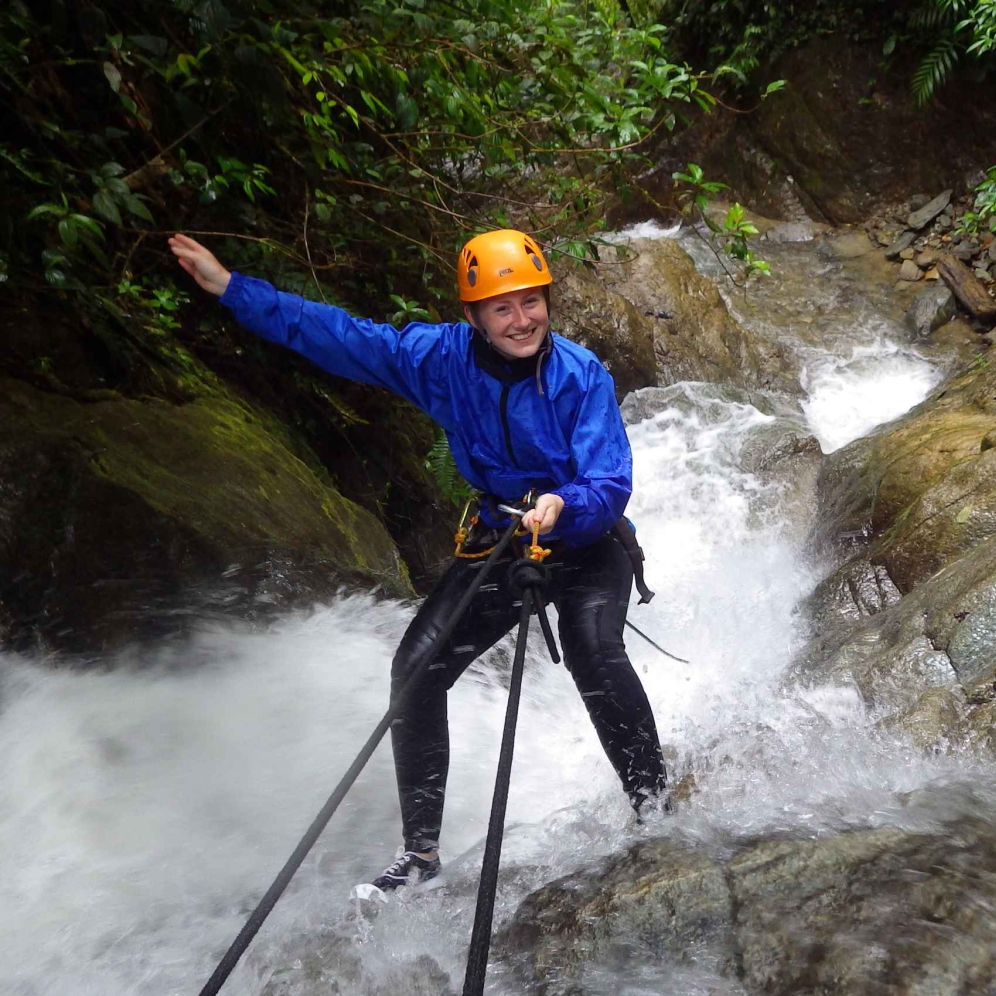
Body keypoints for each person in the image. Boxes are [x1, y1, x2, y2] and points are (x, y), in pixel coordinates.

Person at [168, 230, 668, 892]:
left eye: (531, 302)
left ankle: (656, 813)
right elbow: (343, 337)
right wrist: (235, 290)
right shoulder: (438, 359)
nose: (522, 320)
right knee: (417, 667)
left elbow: (608, 482)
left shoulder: (581, 376)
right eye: (502, 308)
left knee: (593, 651)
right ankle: (420, 855)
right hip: (502, 535)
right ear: (472, 317)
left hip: (583, 538)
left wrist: (560, 502)